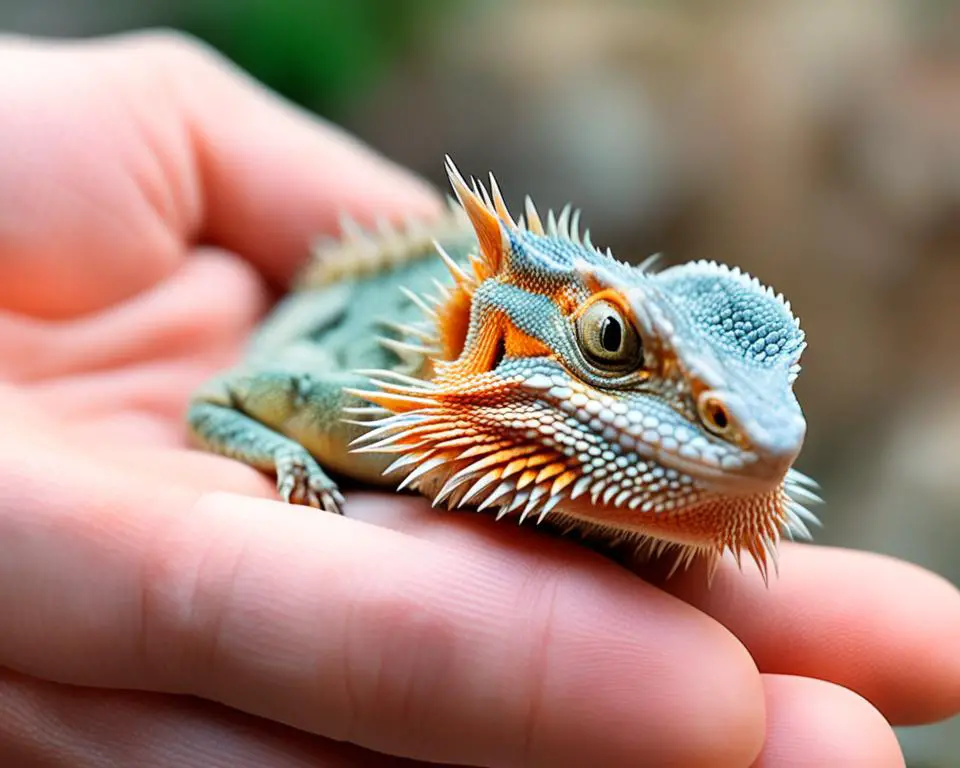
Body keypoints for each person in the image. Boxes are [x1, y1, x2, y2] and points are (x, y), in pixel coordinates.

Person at [0, 30, 956, 768]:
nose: (742, 428)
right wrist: (281, 452)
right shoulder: (357, 415)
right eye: (612, 346)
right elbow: (216, 398)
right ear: (484, 333)